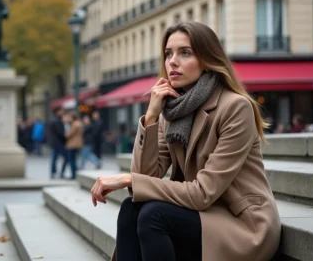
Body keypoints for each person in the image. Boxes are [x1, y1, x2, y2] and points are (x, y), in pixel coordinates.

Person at [90, 22, 281, 261]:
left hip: (241, 225)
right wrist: (150, 118)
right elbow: (146, 176)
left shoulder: (234, 107)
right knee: (131, 208)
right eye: (168, 53)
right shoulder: (171, 111)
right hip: (200, 214)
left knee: (153, 214)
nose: (172, 61)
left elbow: (202, 192)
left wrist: (128, 178)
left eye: (185, 53)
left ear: (207, 59)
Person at [61, 111, 83, 179]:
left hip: (72, 144)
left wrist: (65, 135)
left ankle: (74, 174)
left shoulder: (74, 124)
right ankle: (75, 174)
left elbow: (69, 134)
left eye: (70, 118)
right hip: (77, 144)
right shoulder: (79, 123)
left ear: (73, 118)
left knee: (72, 160)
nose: (68, 119)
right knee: (73, 159)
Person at [48, 107, 67, 178]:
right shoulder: (58, 121)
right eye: (61, 111)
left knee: (54, 158)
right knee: (66, 157)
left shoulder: (54, 120)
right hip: (59, 143)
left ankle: (53, 173)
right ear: (57, 112)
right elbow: (61, 133)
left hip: (55, 142)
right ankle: (60, 173)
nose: (62, 112)